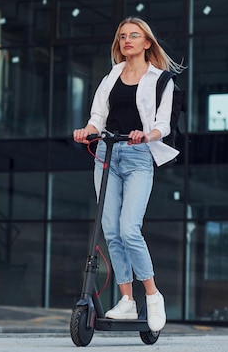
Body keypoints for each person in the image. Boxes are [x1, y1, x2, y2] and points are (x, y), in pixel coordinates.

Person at [72, 17, 184, 332]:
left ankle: (152, 295)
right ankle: (126, 300)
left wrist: (145, 136)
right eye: (123, 36)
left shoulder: (162, 80)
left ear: (147, 42)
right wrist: (87, 131)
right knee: (110, 229)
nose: (127, 40)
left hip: (138, 157)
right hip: (107, 155)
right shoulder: (111, 76)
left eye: (134, 35)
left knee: (129, 228)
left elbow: (164, 124)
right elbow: (98, 116)